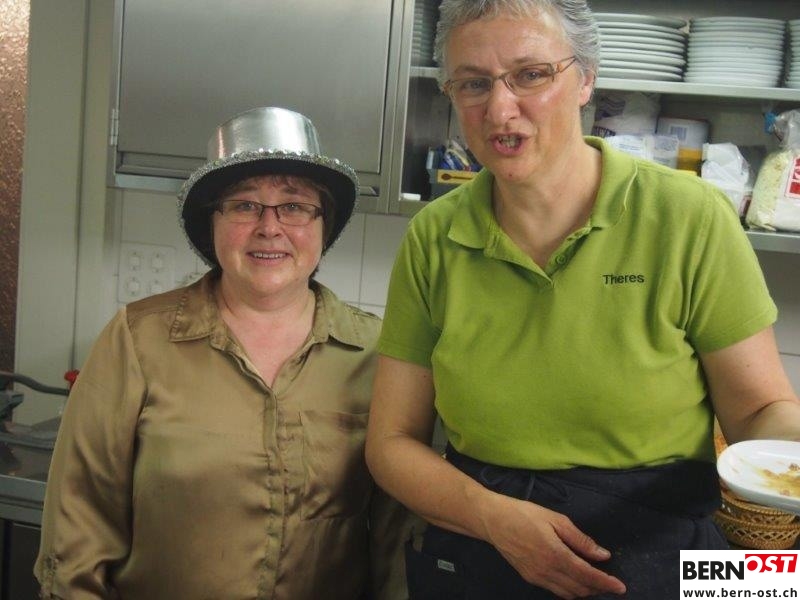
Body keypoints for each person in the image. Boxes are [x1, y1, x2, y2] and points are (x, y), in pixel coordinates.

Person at [365, 1, 800, 598]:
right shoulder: (434, 237)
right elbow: (391, 444)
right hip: (482, 546)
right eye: (473, 83)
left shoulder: (688, 217)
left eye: (531, 75)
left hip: (666, 552)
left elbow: (759, 411)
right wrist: (492, 517)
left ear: (586, 80)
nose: (500, 109)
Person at [35, 106, 414, 599]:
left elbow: (395, 542)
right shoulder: (137, 340)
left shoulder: (375, 353)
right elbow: (78, 525)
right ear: (211, 223)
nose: (270, 227)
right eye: (244, 205)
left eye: (295, 206)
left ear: (325, 225)